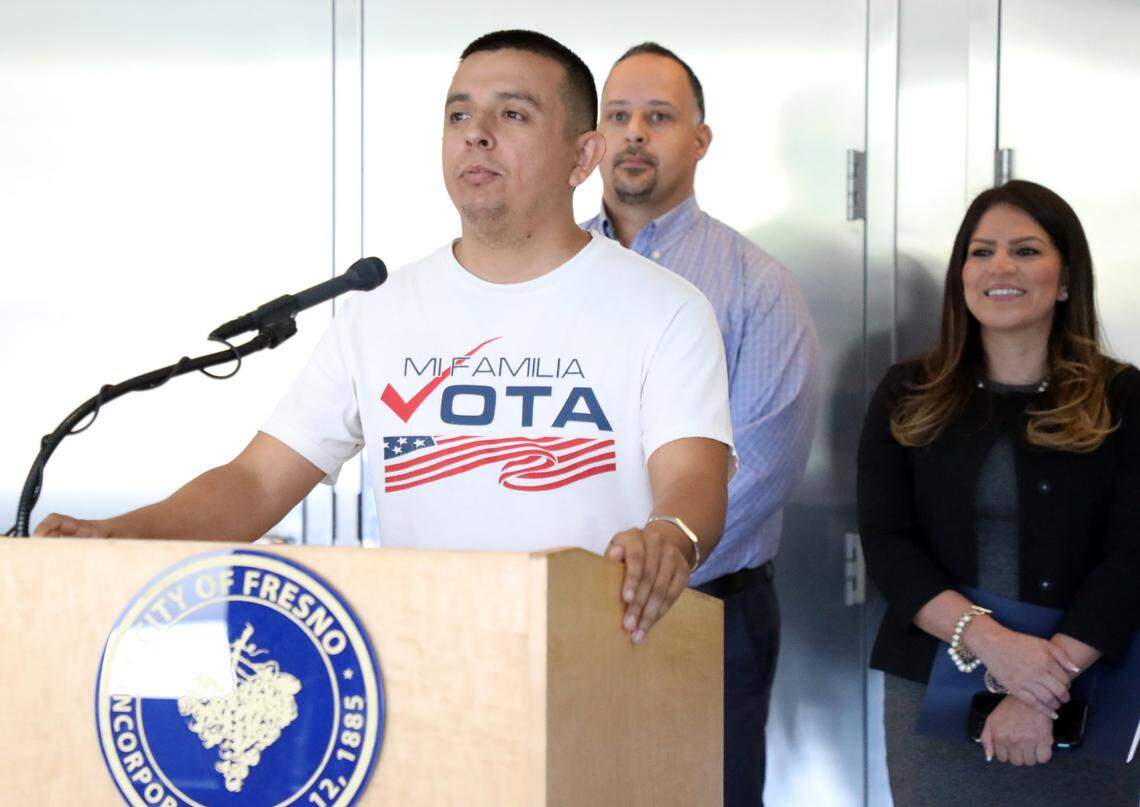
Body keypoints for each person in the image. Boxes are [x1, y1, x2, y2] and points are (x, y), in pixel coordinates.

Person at [35, 30, 736, 645]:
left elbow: (693, 478)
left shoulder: (664, 309)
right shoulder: (380, 313)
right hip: (418, 668)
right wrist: (121, 533)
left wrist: (670, 536)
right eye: (459, 114)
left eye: (512, 114)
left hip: (599, 667)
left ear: (583, 155)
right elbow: (254, 483)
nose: (476, 133)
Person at [583, 42, 819, 806]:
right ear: (592, 138)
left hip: (706, 608)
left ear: (700, 139)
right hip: (562, 598)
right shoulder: (547, 274)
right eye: (617, 116)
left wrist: (633, 560)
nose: (634, 134)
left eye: (658, 116)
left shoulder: (757, 283)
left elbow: (760, 462)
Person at [857, 180, 1140, 804]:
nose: (1000, 267)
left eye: (1026, 250)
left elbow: (1132, 560)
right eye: (981, 252)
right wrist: (996, 649)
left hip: (1091, 692)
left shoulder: (1125, 399)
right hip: (934, 689)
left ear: (1066, 280)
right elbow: (887, 545)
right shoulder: (907, 392)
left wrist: (1040, 683)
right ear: (962, 275)